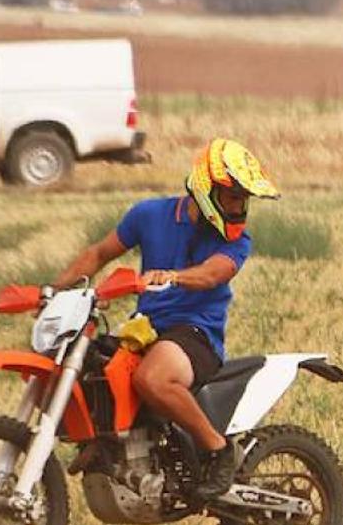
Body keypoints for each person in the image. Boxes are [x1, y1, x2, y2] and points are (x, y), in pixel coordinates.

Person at [51, 138, 279, 501]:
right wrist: (52, 291)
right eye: (234, 197)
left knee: (151, 378)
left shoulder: (238, 242)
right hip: (145, 329)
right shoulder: (148, 215)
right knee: (81, 363)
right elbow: (98, 253)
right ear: (207, 190)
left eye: (244, 199)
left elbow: (210, 275)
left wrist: (172, 276)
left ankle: (218, 450)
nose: (241, 207)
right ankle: (104, 443)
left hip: (196, 333)